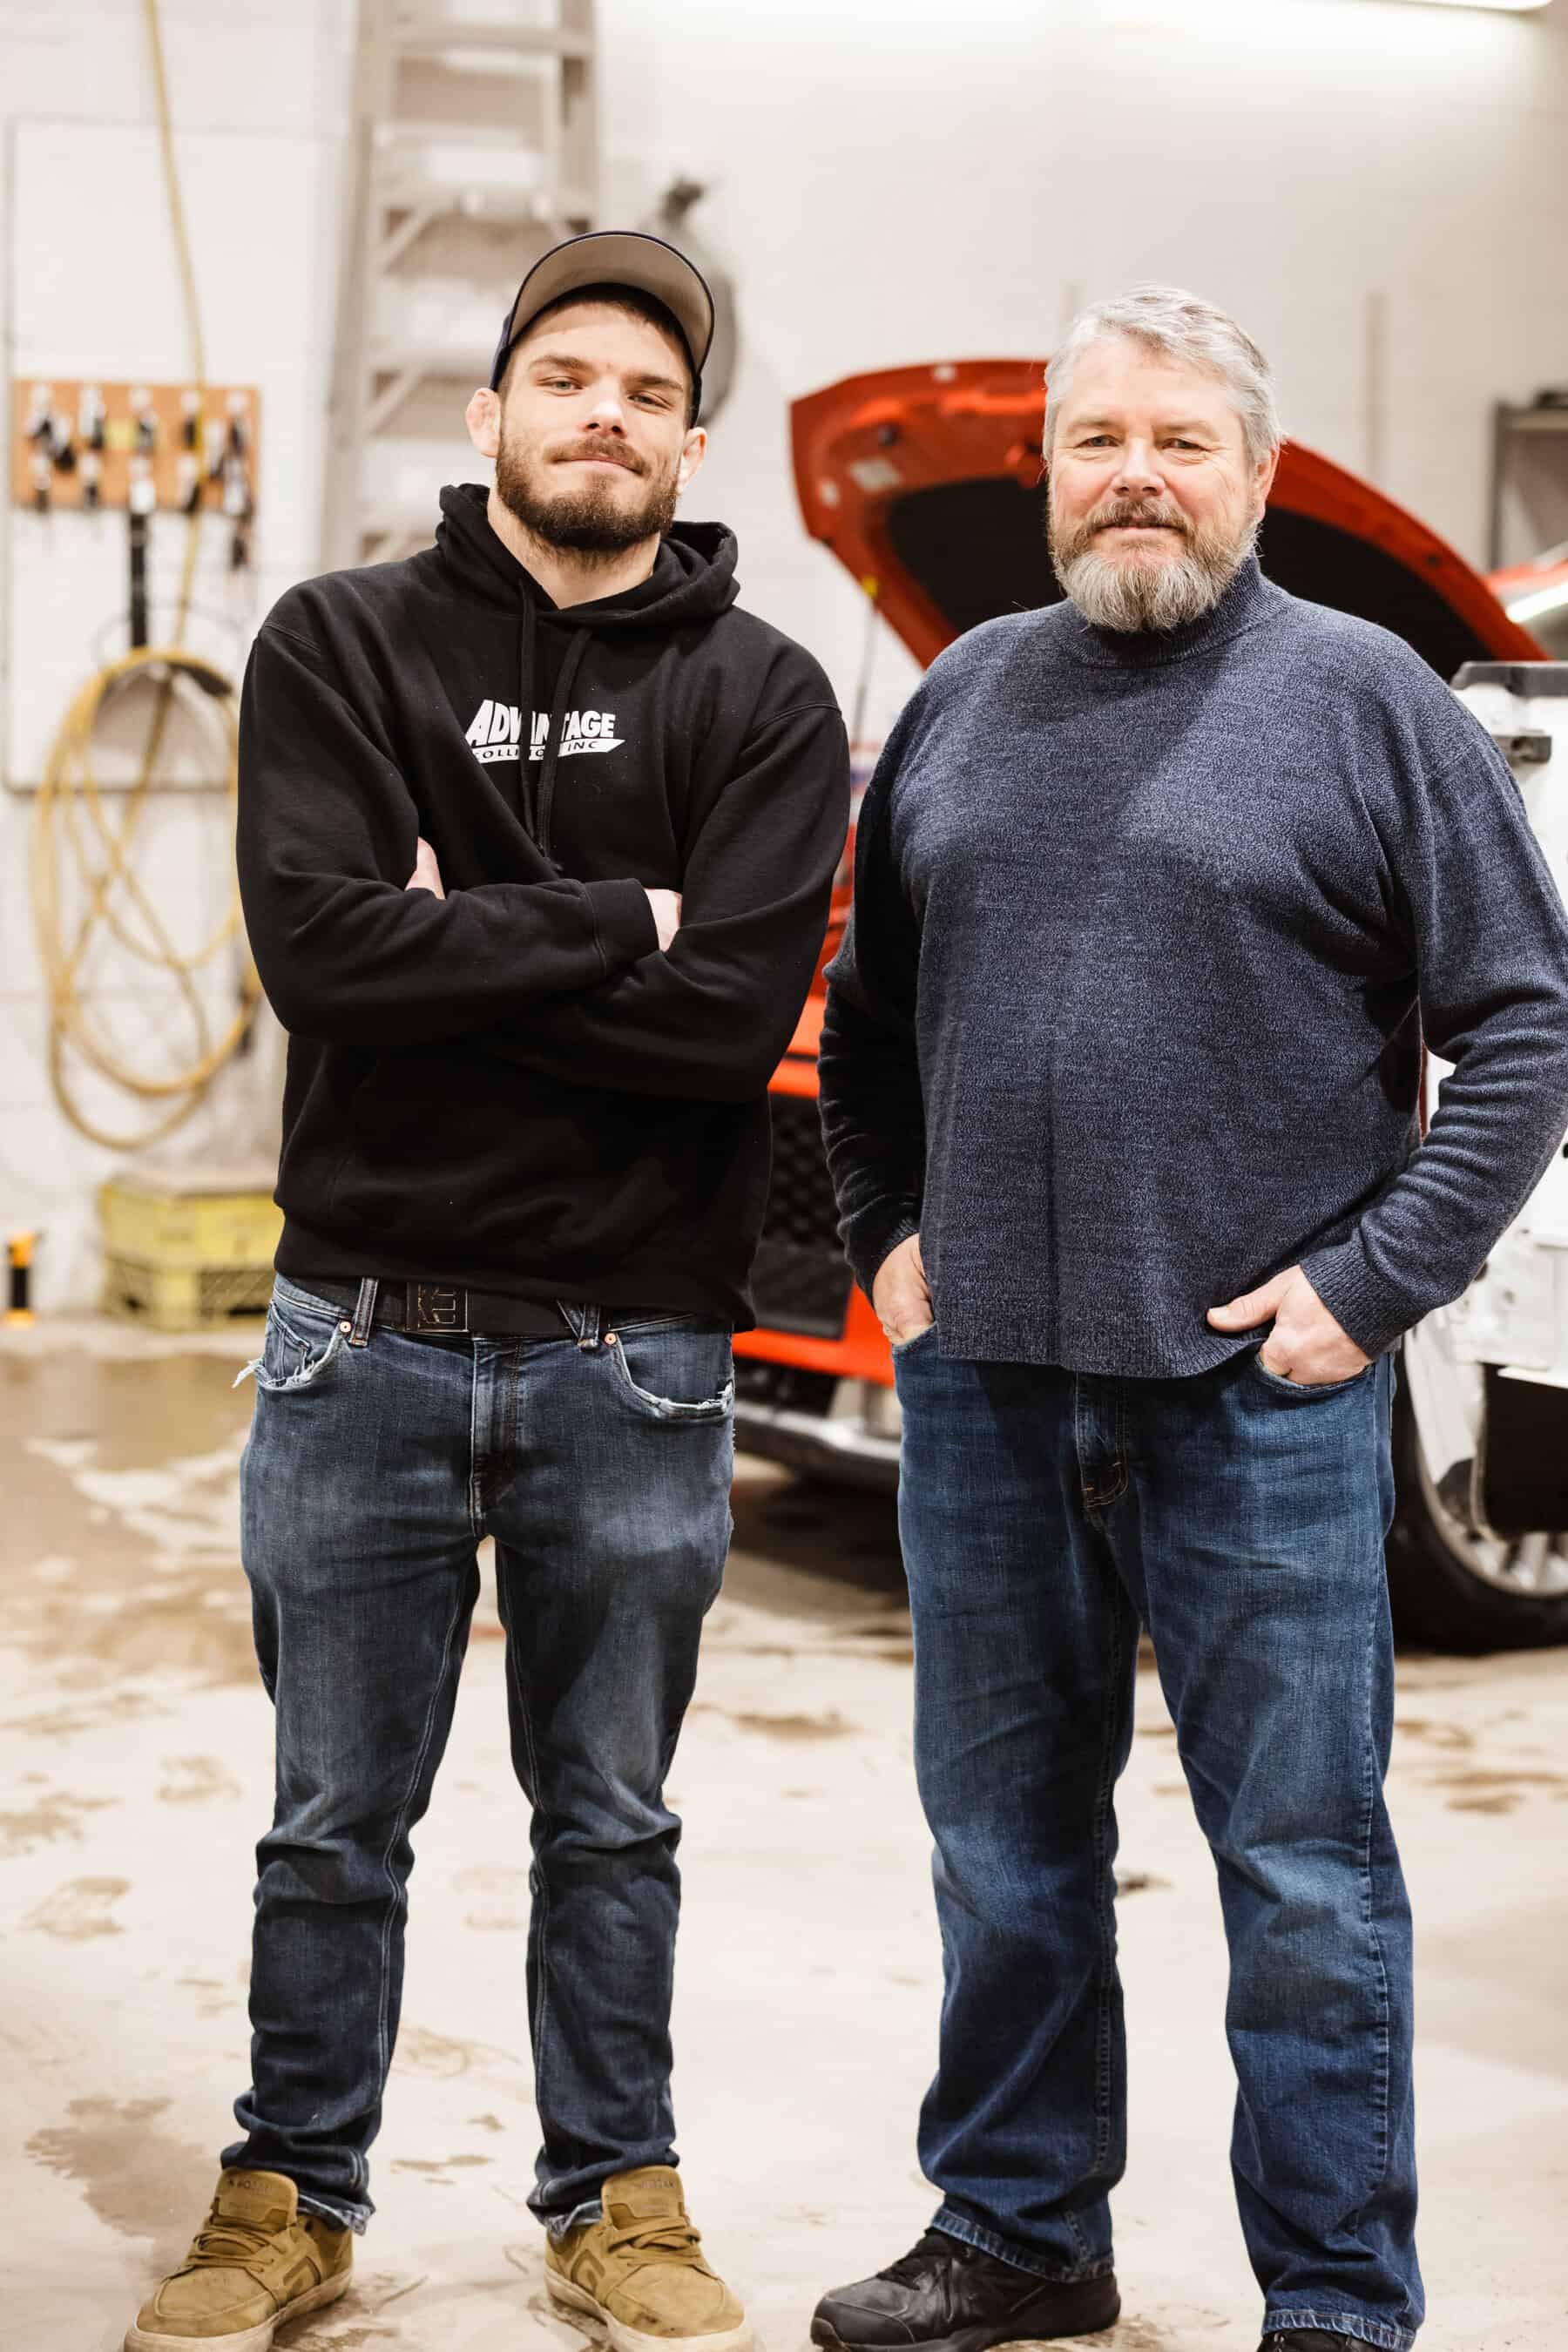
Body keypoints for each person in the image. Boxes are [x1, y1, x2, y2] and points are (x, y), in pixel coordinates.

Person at [811, 287, 1568, 2352]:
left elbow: (1524, 1027)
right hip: (989, 1398)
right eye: (1098, 439)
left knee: (1303, 1875)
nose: (1135, 475)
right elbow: (870, 1030)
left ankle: (1336, 2297)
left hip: (1257, 1401)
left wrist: (1371, 1286)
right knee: (1003, 1849)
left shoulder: (1367, 700)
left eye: (1180, 441)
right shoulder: (965, 697)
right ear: (1048, 472)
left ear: (1257, 474)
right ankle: (1020, 2234)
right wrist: (889, 1239)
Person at [125, 229, 848, 2352]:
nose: (605, 414)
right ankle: (290, 2194)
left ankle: (615, 2194)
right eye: (568, 378)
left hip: (636, 1353)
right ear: (492, 412)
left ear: (689, 445)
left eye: (648, 392)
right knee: (331, 1821)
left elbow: (731, 1027)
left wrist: (461, 939)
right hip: (361, 1328)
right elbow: (324, 957)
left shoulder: (763, 694)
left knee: (611, 1818)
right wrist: (624, 912)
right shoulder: (340, 642)